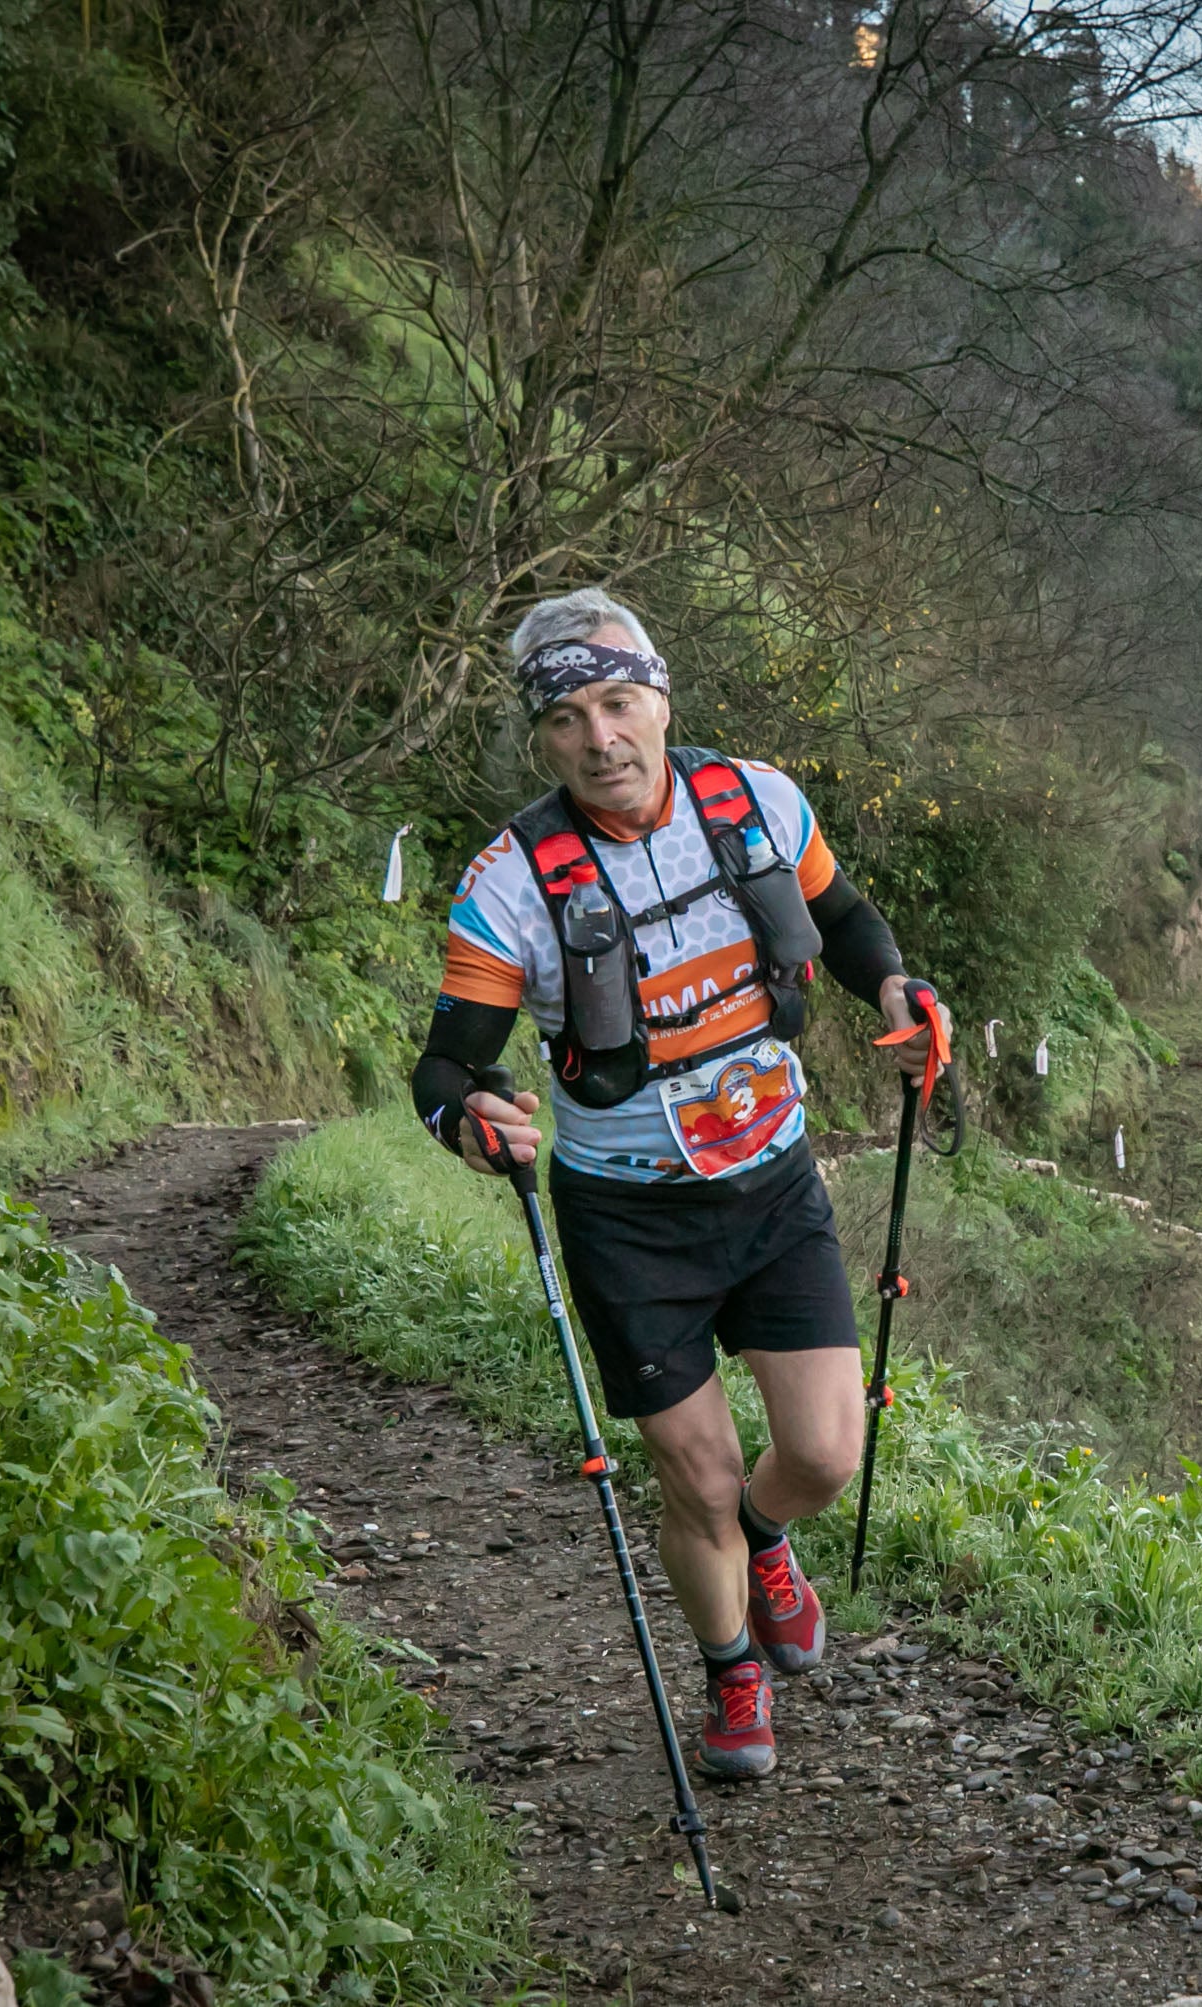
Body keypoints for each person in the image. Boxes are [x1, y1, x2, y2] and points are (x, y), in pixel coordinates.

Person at [408, 588, 949, 1783]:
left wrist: (897, 989)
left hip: (772, 1183)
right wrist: (473, 1118)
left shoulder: (755, 801)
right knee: (692, 1475)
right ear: (541, 739)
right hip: (628, 1217)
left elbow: (841, 914)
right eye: (568, 720)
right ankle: (731, 1674)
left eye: (617, 702)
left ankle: (765, 1538)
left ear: (659, 696)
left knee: (821, 1457)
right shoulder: (507, 884)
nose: (600, 739)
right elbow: (445, 1065)